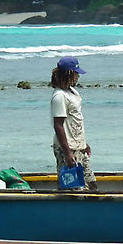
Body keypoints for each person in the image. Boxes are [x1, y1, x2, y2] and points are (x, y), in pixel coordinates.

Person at [50, 56, 97, 191]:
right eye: (76, 74)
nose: (78, 77)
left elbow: (75, 121)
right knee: (73, 188)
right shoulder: (59, 96)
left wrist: (83, 143)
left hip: (78, 146)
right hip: (68, 148)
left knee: (91, 184)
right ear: (69, 74)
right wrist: (68, 153)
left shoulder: (72, 92)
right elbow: (58, 126)